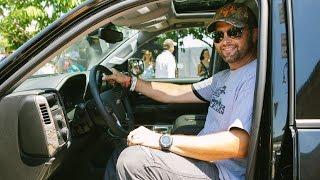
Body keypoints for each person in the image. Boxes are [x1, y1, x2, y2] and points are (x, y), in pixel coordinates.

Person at [103, 3, 258, 180]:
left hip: (223, 172)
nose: (225, 41)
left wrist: (162, 140)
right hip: (206, 161)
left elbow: (237, 145)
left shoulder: (252, 76)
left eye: (234, 32)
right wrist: (131, 81)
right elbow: (178, 92)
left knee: (132, 161)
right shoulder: (222, 77)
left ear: (254, 34)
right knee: (122, 150)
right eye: (218, 35)